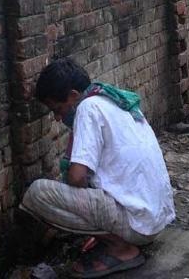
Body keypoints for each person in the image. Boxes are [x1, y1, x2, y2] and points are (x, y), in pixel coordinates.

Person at [20, 58, 176, 277]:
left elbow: (76, 177)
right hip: (154, 218)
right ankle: (114, 238)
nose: (57, 117)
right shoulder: (110, 98)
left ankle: (120, 248)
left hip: (137, 224)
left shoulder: (87, 108)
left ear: (74, 96)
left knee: (37, 194)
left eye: (58, 109)